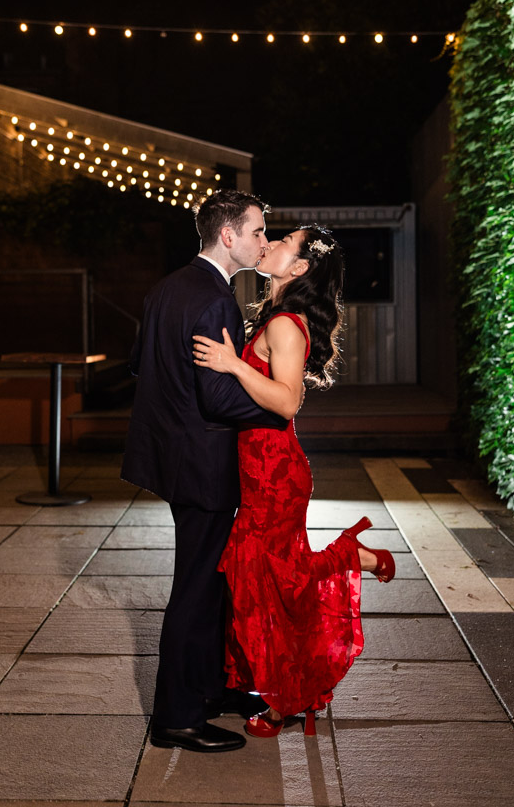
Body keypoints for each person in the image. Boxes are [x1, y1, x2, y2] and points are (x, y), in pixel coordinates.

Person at [193, 225, 395, 738]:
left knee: (273, 583)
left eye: (284, 241)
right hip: (263, 466)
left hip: (275, 469)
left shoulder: (285, 324)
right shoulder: (275, 315)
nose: (273, 243)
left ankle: (284, 700)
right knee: (269, 581)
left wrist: (230, 365)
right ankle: (281, 691)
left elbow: (286, 401)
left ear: (299, 267)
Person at [121, 190, 290, 754]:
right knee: (195, 589)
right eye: (259, 231)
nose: (264, 241)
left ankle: (210, 689)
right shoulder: (216, 300)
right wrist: (279, 406)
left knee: (210, 582)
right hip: (204, 463)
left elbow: (139, 364)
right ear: (229, 236)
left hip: (176, 456)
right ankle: (177, 717)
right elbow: (219, 399)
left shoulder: (167, 287)